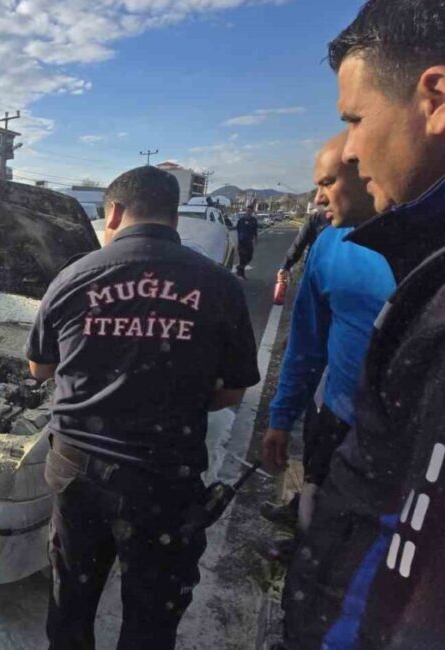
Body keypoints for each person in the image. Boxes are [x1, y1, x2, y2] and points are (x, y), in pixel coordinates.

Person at [27, 166, 259, 650]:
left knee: (71, 599)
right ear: (172, 214)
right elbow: (233, 391)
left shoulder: (73, 275)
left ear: (113, 211)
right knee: (152, 617)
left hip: (77, 474)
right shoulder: (219, 286)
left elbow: (39, 370)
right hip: (164, 479)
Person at [281, 1, 445, 647]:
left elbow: (409, 577)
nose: (350, 151)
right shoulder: (396, 251)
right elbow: (305, 342)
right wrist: (282, 419)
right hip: (338, 427)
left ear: (434, 97)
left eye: (354, 119)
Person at [260, 133, 391, 545]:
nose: (317, 198)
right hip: (335, 414)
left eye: (327, 183)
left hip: (402, 437)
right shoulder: (329, 245)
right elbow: (305, 344)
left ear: (369, 173)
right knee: (317, 511)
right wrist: (282, 417)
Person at [278, 210, 331, 280]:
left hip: (316, 270)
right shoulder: (316, 218)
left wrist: (285, 266)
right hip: (316, 269)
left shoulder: (317, 218)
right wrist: (285, 266)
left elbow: (299, 243)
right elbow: (299, 243)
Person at [234, 206, 259, 278]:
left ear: (252, 212)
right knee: (242, 258)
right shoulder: (241, 220)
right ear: (246, 211)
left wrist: (256, 239)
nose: (248, 212)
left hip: (249, 242)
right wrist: (239, 239)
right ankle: (241, 274)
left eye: (250, 211)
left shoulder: (253, 220)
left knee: (250, 257)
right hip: (242, 243)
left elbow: (255, 231)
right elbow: (238, 230)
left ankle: (240, 268)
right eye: (247, 211)